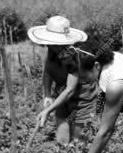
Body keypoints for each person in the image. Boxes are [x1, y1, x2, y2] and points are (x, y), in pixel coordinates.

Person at [28, 15, 98, 144]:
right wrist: (47, 94)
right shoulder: (52, 49)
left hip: (82, 100)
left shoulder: (73, 56)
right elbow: (47, 70)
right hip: (62, 96)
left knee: (79, 142)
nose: (50, 45)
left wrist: (47, 111)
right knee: (62, 140)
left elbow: (70, 90)